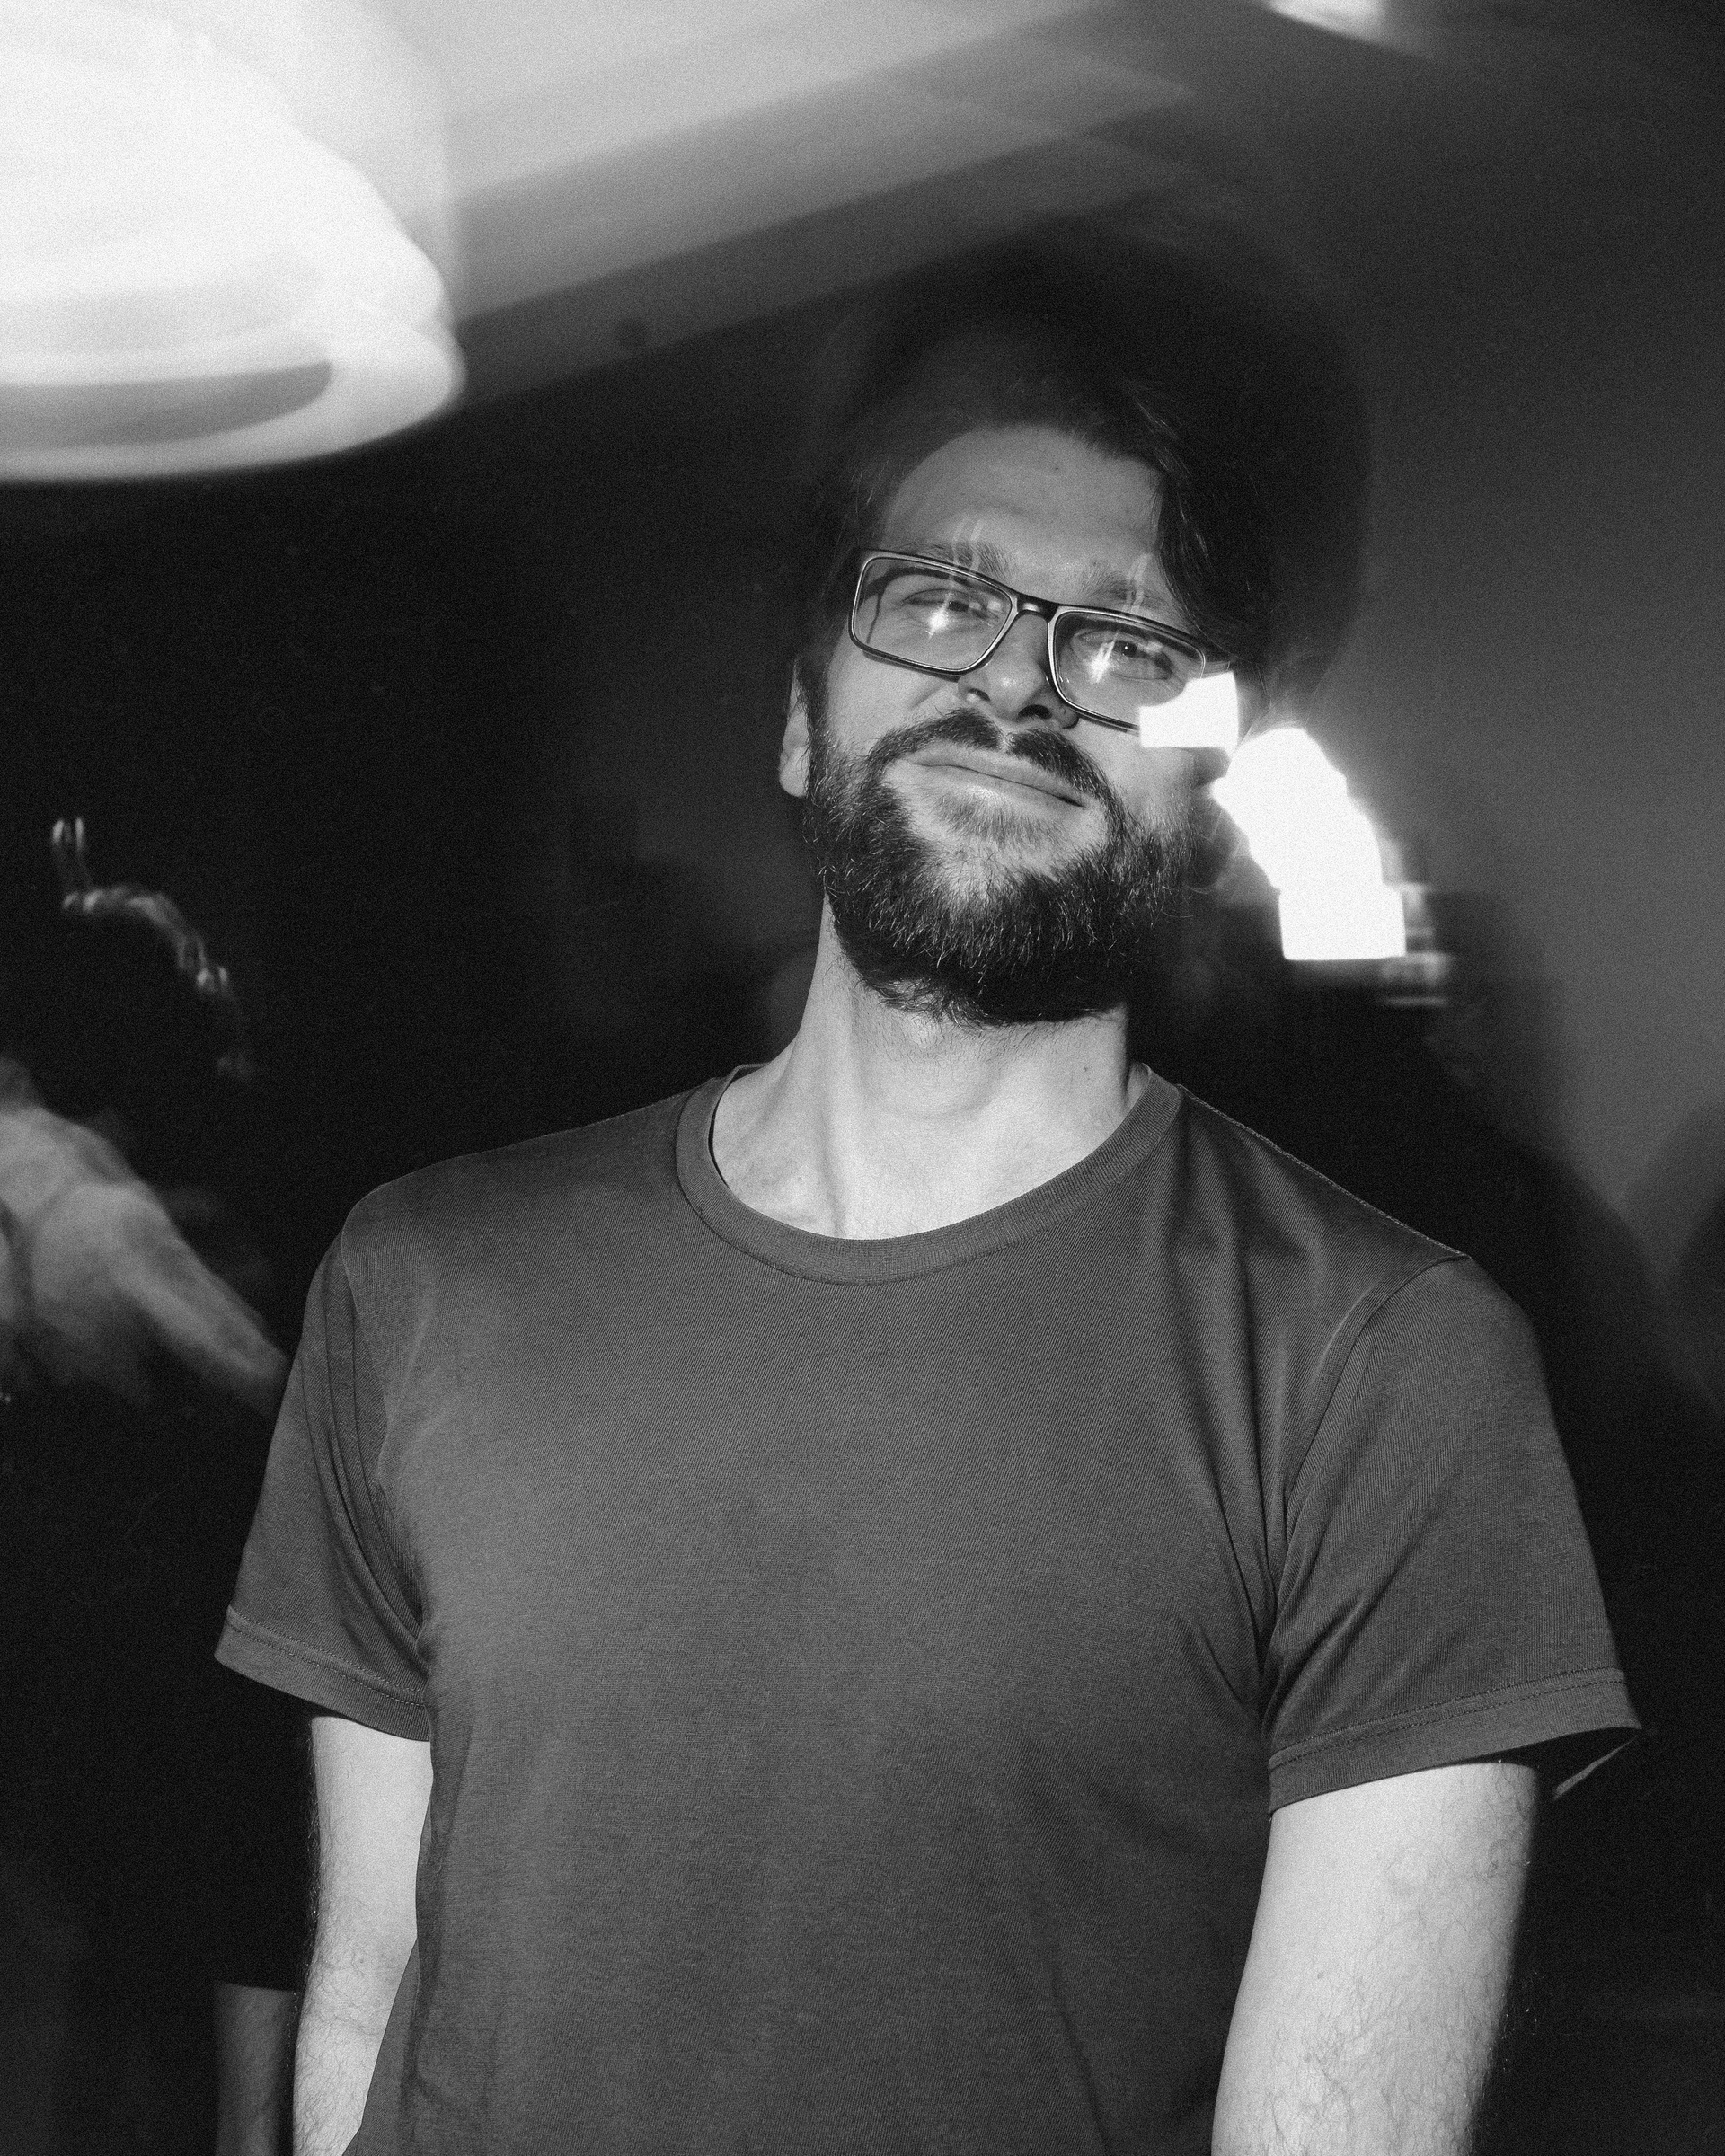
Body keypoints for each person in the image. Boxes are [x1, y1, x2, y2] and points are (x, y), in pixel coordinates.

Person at [217, 235, 1636, 2155]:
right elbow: (369, 1999)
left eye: (1126, 649)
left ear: (1199, 796)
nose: (1020, 692)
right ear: (804, 716)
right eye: (943, 600)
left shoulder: (1385, 1368)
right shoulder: (422, 1278)